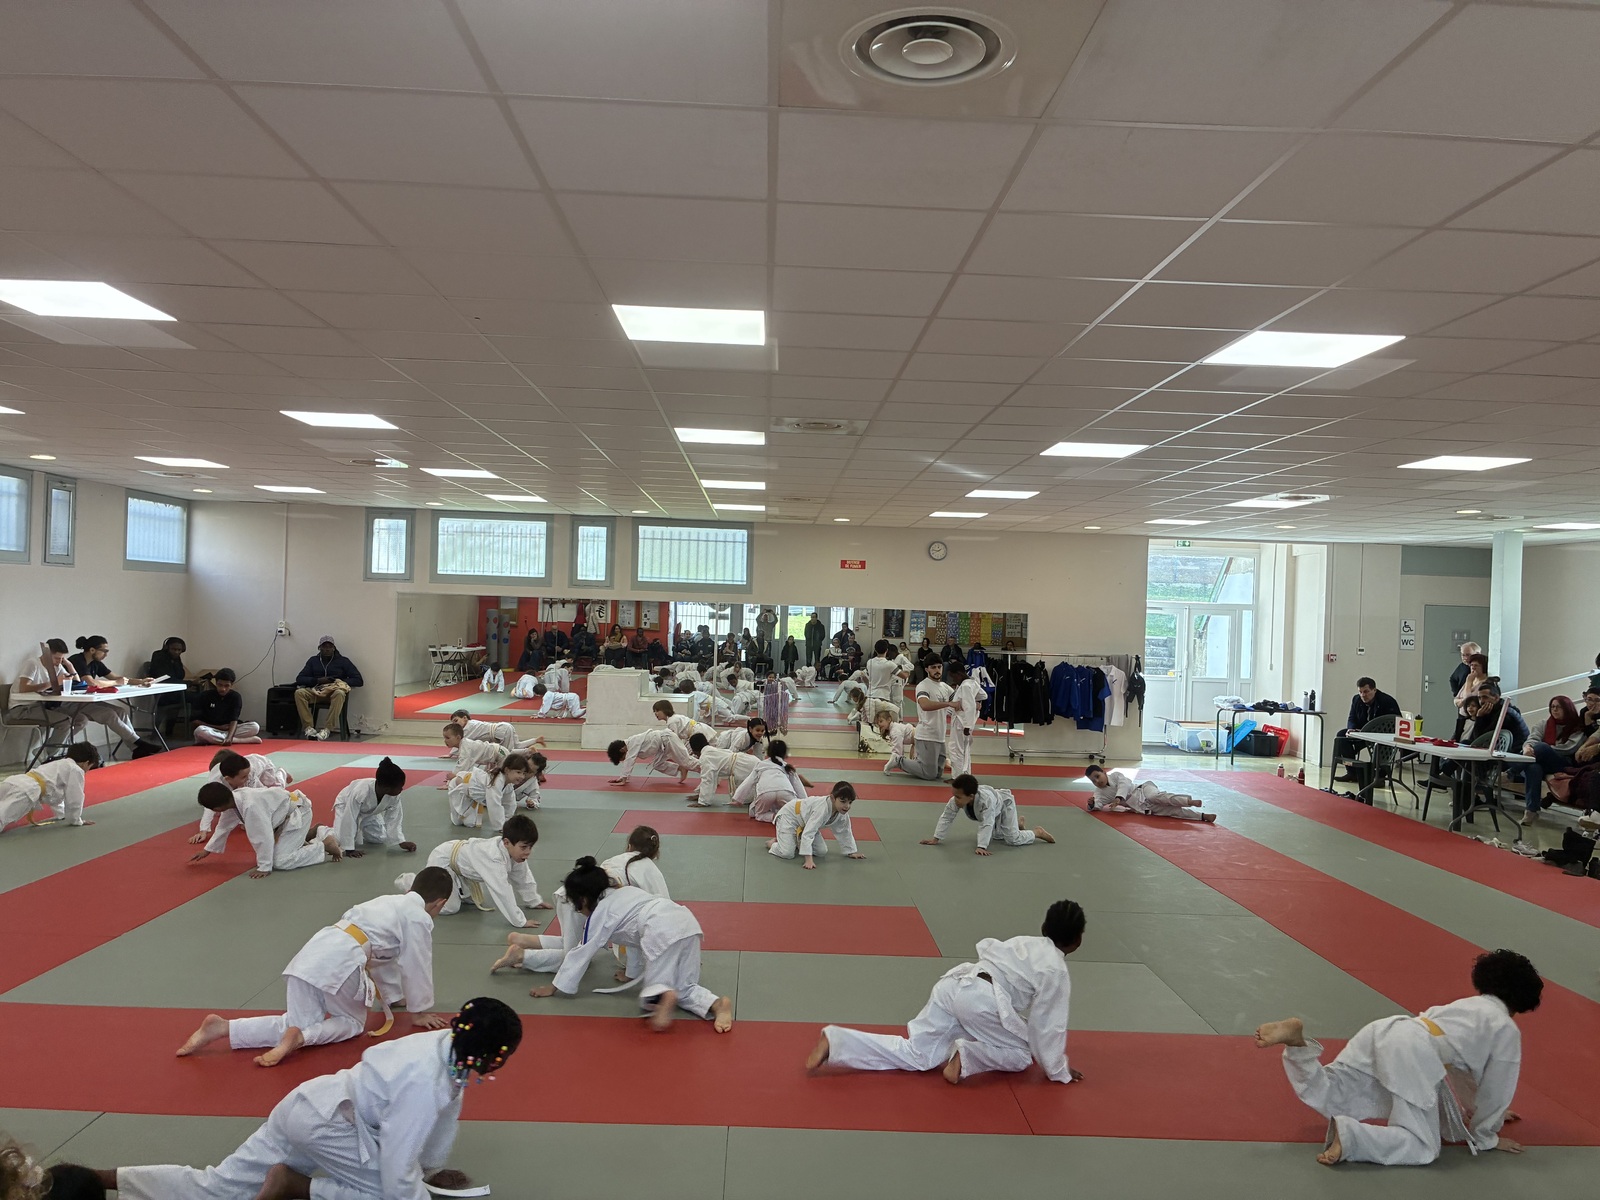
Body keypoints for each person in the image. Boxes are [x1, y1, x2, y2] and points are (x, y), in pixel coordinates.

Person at [102, 996, 522, 1200]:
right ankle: (295, 1186)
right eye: (502, 1056)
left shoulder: (446, 1048)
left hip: (305, 1104)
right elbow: (397, 1173)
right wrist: (422, 1190)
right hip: (330, 1127)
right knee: (390, 1195)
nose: (501, 1064)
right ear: (487, 1054)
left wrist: (431, 1170)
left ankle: (100, 1179)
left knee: (220, 1187)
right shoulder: (425, 1082)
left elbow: (445, 1120)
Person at [1254, 948, 1542, 1167]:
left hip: (1388, 1030)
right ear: (1524, 1000)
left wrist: (1475, 1111)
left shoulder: (1467, 1006)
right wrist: (1486, 1135)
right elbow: (1495, 1088)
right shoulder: (1505, 1028)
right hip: (1414, 1052)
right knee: (1423, 1147)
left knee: (1333, 1092)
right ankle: (1352, 1138)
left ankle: (1298, 1046)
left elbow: (1462, 1070)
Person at [175, 867, 454, 1067]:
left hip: (313, 952)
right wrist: (419, 1011)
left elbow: (384, 960)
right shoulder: (417, 917)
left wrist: (394, 997)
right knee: (352, 1023)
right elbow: (416, 963)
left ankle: (224, 1028)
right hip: (343, 960)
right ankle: (301, 1038)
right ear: (440, 903)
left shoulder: (386, 902)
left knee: (294, 1022)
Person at [807, 899, 1085, 1086]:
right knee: (1025, 1054)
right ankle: (967, 1056)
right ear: (1077, 939)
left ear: (1044, 927)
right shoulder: (1056, 970)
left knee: (918, 1053)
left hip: (954, 984)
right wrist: (1058, 1070)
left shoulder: (1024, 942)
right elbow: (1048, 1026)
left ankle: (837, 1041)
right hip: (982, 1002)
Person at [526, 856, 734, 1032]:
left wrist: (554, 987)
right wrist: (631, 973)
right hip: (686, 923)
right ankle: (718, 1005)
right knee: (684, 987)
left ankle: (662, 997)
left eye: (576, 906)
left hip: (659, 928)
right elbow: (633, 941)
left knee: (655, 987)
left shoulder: (600, 914)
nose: (578, 912)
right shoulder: (625, 893)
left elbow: (582, 951)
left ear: (584, 899)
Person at [491, 825, 669, 976]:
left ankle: (526, 941)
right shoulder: (650, 870)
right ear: (656, 852)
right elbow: (659, 917)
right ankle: (522, 955)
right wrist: (633, 972)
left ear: (629, 846)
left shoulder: (616, 860)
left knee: (576, 944)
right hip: (581, 903)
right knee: (577, 958)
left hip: (569, 894)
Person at [399, 815, 549, 928]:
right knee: (450, 908)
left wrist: (533, 900)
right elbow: (502, 890)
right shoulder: (494, 858)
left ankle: (454, 889)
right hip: (444, 861)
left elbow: (523, 877)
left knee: (472, 900)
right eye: (524, 847)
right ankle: (412, 883)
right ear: (506, 842)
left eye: (530, 847)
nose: (528, 852)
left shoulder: (513, 854)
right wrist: (520, 921)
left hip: (462, 868)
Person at [190, 780, 341, 876]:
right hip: (287, 816)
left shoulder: (250, 807)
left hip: (298, 814)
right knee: (275, 852)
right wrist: (207, 850)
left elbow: (263, 837)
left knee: (280, 861)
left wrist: (264, 867)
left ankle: (324, 845)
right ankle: (312, 833)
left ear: (217, 808)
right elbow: (223, 827)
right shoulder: (235, 799)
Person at [921, 773, 1055, 854]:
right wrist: (936, 838)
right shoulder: (957, 799)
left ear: (971, 796)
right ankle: (1016, 825)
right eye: (954, 795)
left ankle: (1037, 832)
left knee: (1012, 839)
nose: (955, 799)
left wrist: (981, 846)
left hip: (1004, 804)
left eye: (958, 797)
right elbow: (946, 817)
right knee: (997, 836)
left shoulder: (985, 801)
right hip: (995, 807)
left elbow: (987, 823)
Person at [191, 750, 292, 843]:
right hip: (239, 770)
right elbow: (209, 805)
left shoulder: (249, 774)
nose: (247, 778)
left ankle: (282, 772)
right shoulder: (216, 782)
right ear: (228, 779)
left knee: (276, 787)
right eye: (244, 777)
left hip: (264, 765)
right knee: (224, 803)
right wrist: (203, 830)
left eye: (246, 776)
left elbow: (261, 796)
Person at [1517, 694, 1590, 824]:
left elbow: (1569, 748)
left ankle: (1512, 771)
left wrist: (1543, 750)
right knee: (1534, 768)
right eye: (1552, 707)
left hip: (1563, 763)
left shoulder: (1577, 726)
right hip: (1540, 761)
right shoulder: (1544, 724)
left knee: (1542, 747)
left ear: (1567, 709)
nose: (1555, 710)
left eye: (1559, 707)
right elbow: (1532, 739)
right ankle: (1531, 811)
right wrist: (1527, 748)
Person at [67, 634, 148, 751]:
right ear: (92, 650)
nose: (106, 654)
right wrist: (116, 682)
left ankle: (135, 748)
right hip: (71, 702)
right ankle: (138, 743)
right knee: (109, 714)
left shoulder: (95, 662)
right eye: (104, 651)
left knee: (121, 711)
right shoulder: (77, 660)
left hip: (86, 701)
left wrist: (141, 681)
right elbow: (91, 682)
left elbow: (116, 677)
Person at [0, 743, 100, 831]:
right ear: (86, 763)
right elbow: (75, 798)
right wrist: (76, 820)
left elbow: (54, 795)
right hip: (27, 790)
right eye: (90, 767)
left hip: (14, 781)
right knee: (3, 816)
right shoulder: (76, 770)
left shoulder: (59, 763)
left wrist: (61, 814)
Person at [9, 638, 84, 749]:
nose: (59, 662)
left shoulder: (57, 666)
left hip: (41, 706)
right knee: (65, 722)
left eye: (62, 658)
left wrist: (69, 665)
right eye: (57, 658)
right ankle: (47, 753)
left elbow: (77, 682)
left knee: (80, 719)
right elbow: (23, 688)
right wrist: (53, 682)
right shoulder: (33, 664)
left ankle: (58, 748)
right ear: (47, 655)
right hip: (22, 708)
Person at [768, 783, 862, 869]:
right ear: (833, 798)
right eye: (843, 801)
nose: (847, 806)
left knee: (821, 852)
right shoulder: (822, 809)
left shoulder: (842, 813)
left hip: (806, 821)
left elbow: (845, 831)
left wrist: (851, 851)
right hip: (790, 816)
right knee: (787, 853)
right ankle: (772, 844)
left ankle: (793, 840)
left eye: (850, 802)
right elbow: (808, 833)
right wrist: (809, 860)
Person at [333, 757, 415, 856]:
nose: (401, 789)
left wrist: (400, 841)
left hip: (369, 811)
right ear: (386, 788)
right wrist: (349, 848)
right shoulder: (361, 792)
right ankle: (321, 830)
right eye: (399, 787)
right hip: (345, 805)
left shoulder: (394, 796)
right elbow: (349, 817)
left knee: (379, 838)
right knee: (338, 840)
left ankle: (357, 829)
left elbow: (394, 818)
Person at [889, 658, 955, 780]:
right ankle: (898, 760)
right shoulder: (923, 686)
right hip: (926, 735)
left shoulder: (945, 687)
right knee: (929, 774)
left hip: (940, 735)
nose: (937, 670)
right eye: (933, 667)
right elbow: (924, 705)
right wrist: (948, 704)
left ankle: (916, 762)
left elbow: (958, 698)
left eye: (939, 667)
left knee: (937, 774)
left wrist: (975, 700)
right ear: (926, 669)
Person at [1085, 764, 1216, 822]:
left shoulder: (1116, 775)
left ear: (1104, 772)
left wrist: (1118, 798)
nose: (1097, 781)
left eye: (1097, 776)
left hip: (1143, 789)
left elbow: (1124, 784)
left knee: (1157, 797)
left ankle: (1189, 801)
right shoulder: (1099, 792)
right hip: (1141, 806)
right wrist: (1092, 804)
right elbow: (1098, 804)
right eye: (1093, 781)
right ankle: (1202, 816)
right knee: (1170, 811)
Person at [1331, 677, 1402, 781]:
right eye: (1360, 692)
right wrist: (1351, 729)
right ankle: (1352, 772)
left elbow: (1394, 722)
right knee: (1341, 735)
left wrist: (1368, 731)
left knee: (1381, 745)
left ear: (1374, 690)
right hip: (1361, 733)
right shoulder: (1356, 699)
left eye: (1366, 691)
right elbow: (1352, 718)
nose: (1363, 695)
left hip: (1381, 735)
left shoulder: (1387, 701)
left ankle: (1380, 775)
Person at [294, 634, 363, 740]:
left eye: (330, 646)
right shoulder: (313, 661)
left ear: (334, 648)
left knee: (340, 693)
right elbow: (300, 678)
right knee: (299, 693)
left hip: (333, 694)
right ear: (319, 648)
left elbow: (358, 680)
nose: (327, 649)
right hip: (316, 692)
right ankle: (309, 728)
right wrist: (317, 680)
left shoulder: (343, 661)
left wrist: (336, 681)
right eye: (324, 646)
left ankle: (327, 729)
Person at [446, 754, 532, 830]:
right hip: (458, 787)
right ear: (507, 770)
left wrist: (508, 821)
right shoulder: (496, 781)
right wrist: (500, 826)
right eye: (518, 772)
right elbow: (494, 805)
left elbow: (510, 804)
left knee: (470, 823)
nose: (522, 776)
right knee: (458, 822)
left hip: (472, 795)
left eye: (524, 773)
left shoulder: (508, 785)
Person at [684, 731, 760, 808]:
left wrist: (702, 801)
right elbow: (711, 778)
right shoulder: (711, 750)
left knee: (743, 798)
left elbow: (708, 780)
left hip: (744, 766)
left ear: (694, 750)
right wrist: (700, 795)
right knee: (756, 784)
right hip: (749, 761)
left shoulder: (705, 757)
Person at [189, 667, 261, 745]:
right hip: (211, 729)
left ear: (231, 685)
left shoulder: (235, 697)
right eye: (220, 685)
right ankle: (238, 740)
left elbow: (234, 720)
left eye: (226, 686)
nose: (223, 689)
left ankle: (218, 740)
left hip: (229, 730)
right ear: (216, 683)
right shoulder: (204, 696)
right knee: (199, 731)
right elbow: (194, 721)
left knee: (255, 727)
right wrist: (219, 728)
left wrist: (229, 737)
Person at [607, 727, 690, 785]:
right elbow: (628, 761)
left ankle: (697, 767)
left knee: (688, 760)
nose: (625, 759)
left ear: (622, 750)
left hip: (668, 738)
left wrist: (623, 779)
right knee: (657, 765)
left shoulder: (632, 743)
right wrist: (622, 778)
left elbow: (629, 760)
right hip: (663, 745)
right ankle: (680, 768)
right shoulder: (631, 745)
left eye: (623, 757)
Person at [148, 635, 195, 734]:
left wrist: (176, 663)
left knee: (199, 697)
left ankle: (173, 731)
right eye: (174, 649)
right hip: (163, 693)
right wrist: (187, 683)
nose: (177, 652)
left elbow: (180, 675)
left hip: (174, 691)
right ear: (167, 647)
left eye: (179, 650)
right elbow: (165, 678)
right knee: (198, 698)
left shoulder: (176, 658)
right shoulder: (159, 656)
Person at [945, 661, 983, 778]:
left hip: (962, 722)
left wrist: (968, 726)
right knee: (964, 750)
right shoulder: (972, 682)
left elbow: (969, 706)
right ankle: (966, 775)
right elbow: (983, 695)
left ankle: (957, 777)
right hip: (964, 721)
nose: (953, 680)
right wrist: (976, 702)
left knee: (956, 749)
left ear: (959, 674)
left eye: (953, 677)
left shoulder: (965, 686)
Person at [446, 709, 542, 753]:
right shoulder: (473, 723)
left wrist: (451, 754)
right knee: (517, 746)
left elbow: (461, 742)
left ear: (465, 718)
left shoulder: (468, 727)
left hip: (501, 730)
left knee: (506, 753)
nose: (455, 724)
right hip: (505, 727)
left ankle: (528, 751)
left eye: (456, 720)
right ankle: (536, 740)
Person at [873, 708, 917, 773]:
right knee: (913, 764)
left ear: (889, 720)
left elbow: (897, 753)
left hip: (919, 738)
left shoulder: (895, 731)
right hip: (916, 740)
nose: (879, 724)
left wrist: (888, 766)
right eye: (878, 723)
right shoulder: (893, 729)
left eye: (881, 721)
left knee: (917, 764)